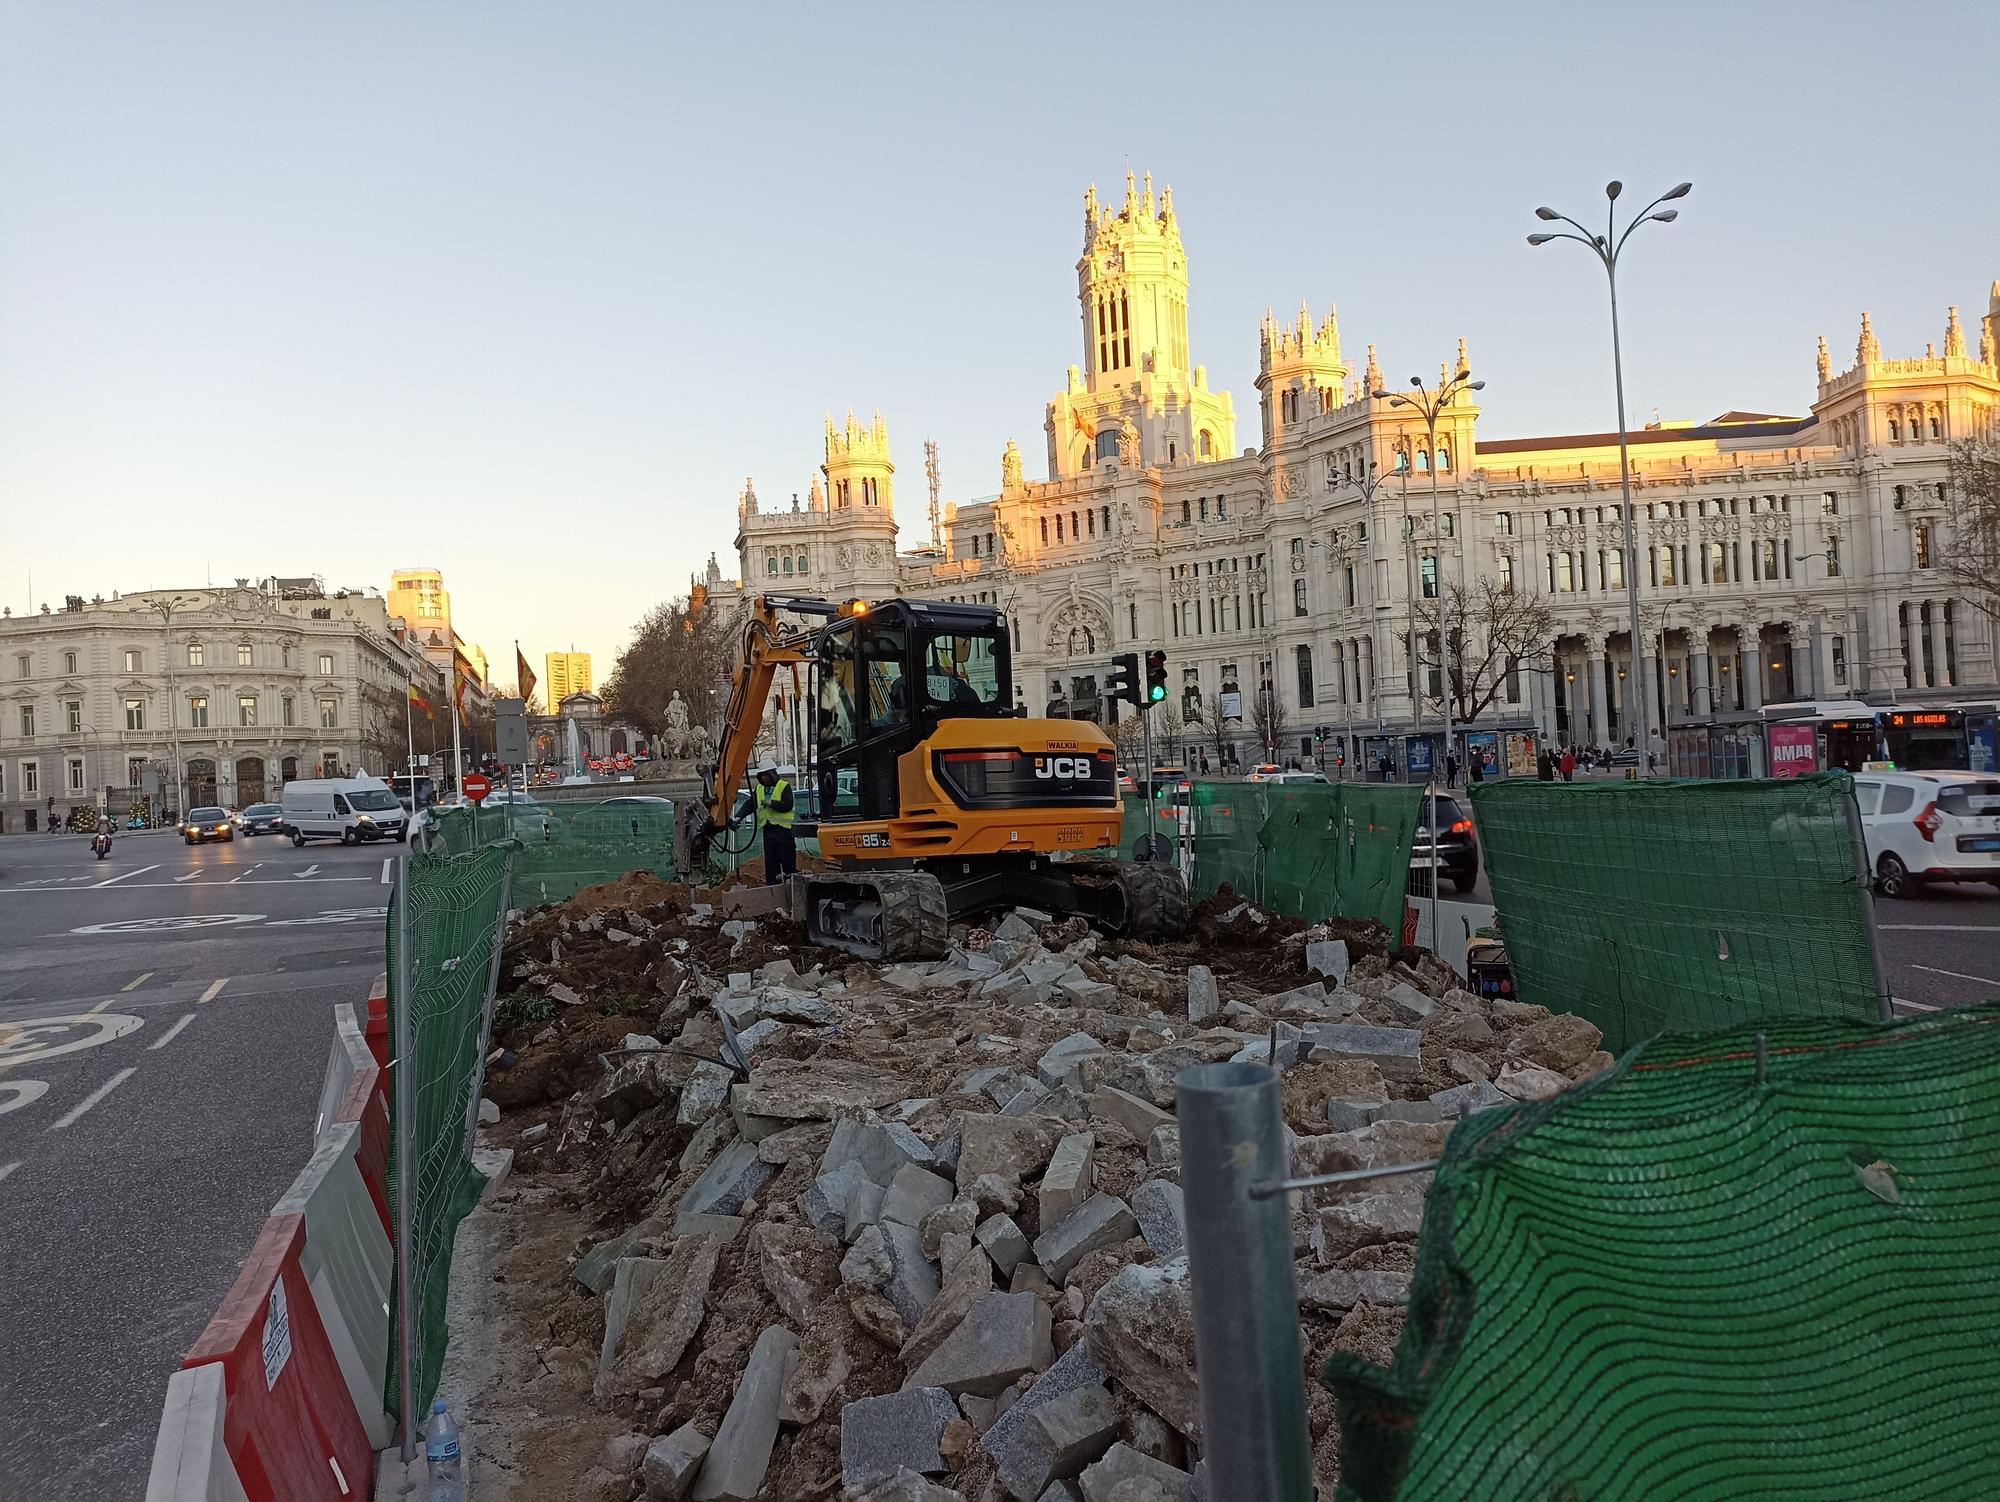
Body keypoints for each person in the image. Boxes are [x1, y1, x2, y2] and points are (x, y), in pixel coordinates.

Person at [753, 759, 797, 884]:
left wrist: (771, 803)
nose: (764, 778)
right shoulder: (759, 789)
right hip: (768, 831)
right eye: (761, 775)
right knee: (771, 864)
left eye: (765, 775)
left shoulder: (784, 786)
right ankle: (773, 890)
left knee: (788, 863)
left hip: (783, 831)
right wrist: (738, 817)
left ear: (772, 774)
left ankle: (792, 888)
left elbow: (787, 805)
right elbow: (749, 805)